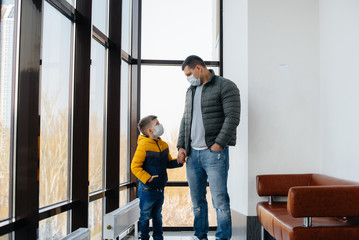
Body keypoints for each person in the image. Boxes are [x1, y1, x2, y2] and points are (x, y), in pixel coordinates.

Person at [177, 55, 241, 240]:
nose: (188, 78)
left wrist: (218, 144)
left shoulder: (225, 86)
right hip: (192, 156)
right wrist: (181, 146)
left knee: (220, 201)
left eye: (189, 73)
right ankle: (200, 235)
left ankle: (222, 237)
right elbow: (185, 120)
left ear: (199, 68)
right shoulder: (190, 91)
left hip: (214, 154)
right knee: (197, 201)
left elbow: (232, 117)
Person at [131, 115, 183, 240]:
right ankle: (144, 237)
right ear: (150, 130)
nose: (160, 125)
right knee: (145, 216)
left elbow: (168, 163)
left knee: (157, 216)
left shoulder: (164, 145)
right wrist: (147, 178)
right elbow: (135, 166)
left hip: (160, 189)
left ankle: (158, 237)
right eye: (157, 123)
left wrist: (179, 161)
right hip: (147, 190)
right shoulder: (143, 145)